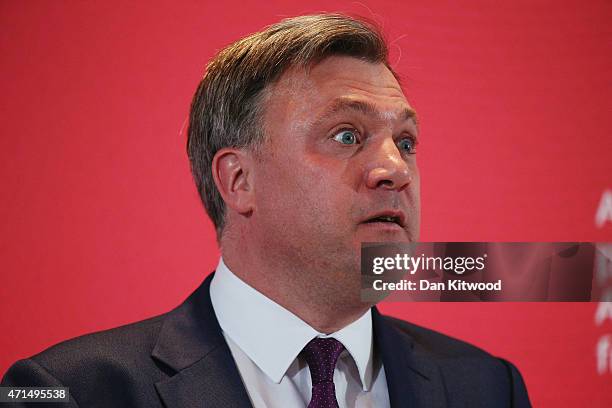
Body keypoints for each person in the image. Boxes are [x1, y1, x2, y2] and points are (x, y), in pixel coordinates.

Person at [1, 13, 531, 407]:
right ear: (239, 181)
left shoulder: (485, 387)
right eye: (347, 135)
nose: (395, 169)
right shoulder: (70, 390)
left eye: (407, 142)